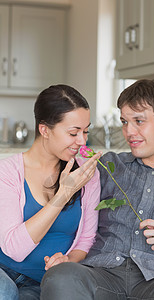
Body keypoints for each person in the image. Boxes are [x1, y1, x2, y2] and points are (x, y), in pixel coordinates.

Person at [40, 79, 154, 300]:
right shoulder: (108, 165)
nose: (129, 132)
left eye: (139, 121)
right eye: (125, 122)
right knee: (61, 276)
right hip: (101, 275)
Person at [0, 84, 102, 300]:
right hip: (4, 272)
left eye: (85, 131)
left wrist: (68, 261)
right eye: (73, 133)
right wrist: (63, 194)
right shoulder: (7, 172)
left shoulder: (87, 172)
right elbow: (14, 250)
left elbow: (86, 239)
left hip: (46, 282)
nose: (82, 141)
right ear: (45, 130)